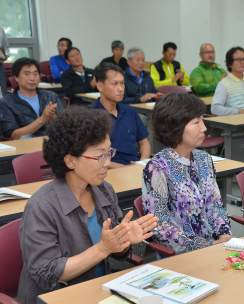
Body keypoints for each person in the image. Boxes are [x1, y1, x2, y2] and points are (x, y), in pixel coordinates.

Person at [16, 107, 158, 304]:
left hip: (97, 291)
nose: (108, 163)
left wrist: (122, 239)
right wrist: (102, 249)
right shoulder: (41, 206)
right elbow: (46, 274)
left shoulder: (104, 189)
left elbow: (115, 251)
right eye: (100, 156)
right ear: (70, 160)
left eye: (110, 152)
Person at [142, 93, 232, 254]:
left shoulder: (204, 159)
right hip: (182, 257)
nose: (204, 128)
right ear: (175, 126)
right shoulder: (157, 168)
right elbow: (160, 225)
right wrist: (202, 246)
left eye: (202, 120)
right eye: (196, 122)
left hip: (216, 248)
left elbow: (217, 204)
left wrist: (224, 234)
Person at [90, 63, 151, 168]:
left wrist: (141, 163)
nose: (120, 89)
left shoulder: (130, 110)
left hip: (135, 168)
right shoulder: (90, 117)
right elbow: (94, 158)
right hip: (108, 171)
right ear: (100, 86)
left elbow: (144, 143)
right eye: (114, 84)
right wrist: (126, 169)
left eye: (122, 83)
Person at [0, 58, 63, 139]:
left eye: (35, 74)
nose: (32, 78)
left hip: (54, 142)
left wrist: (53, 118)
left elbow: (65, 127)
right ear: (16, 77)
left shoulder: (51, 96)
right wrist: (42, 119)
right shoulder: (5, 103)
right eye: (27, 74)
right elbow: (13, 135)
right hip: (27, 145)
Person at [211, 46, 244, 116]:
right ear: (229, 63)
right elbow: (215, 109)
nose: (243, 62)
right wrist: (237, 111)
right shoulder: (223, 84)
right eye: (238, 59)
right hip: (236, 122)